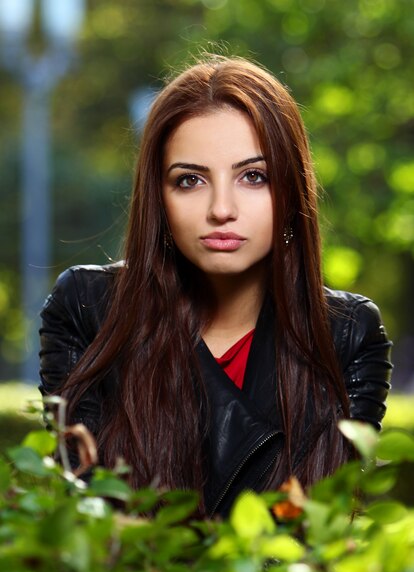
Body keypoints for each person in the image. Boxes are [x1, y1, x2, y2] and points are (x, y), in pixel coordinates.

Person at [39, 55, 393, 518]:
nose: (221, 208)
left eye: (253, 176)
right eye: (190, 180)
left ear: (290, 193)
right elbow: (84, 521)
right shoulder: (89, 310)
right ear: (159, 200)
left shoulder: (346, 335)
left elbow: (321, 536)